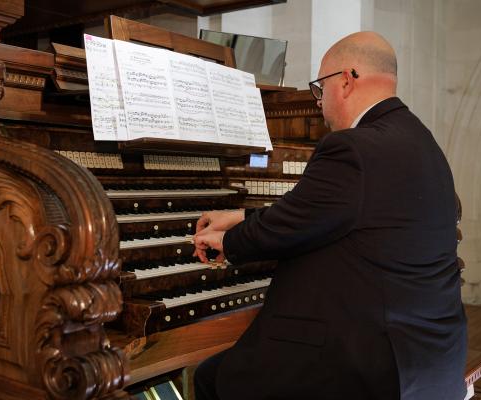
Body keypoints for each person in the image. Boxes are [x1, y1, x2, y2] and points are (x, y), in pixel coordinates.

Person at [192, 31, 467, 400]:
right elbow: (318, 210)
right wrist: (241, 214)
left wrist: (226, 242)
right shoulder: (421, 140)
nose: (319, 103)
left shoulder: (353, 147)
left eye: (320, 89)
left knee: (216, 378)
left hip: (375, 366)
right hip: (430, 354)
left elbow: (290, 226)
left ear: (346, 81)